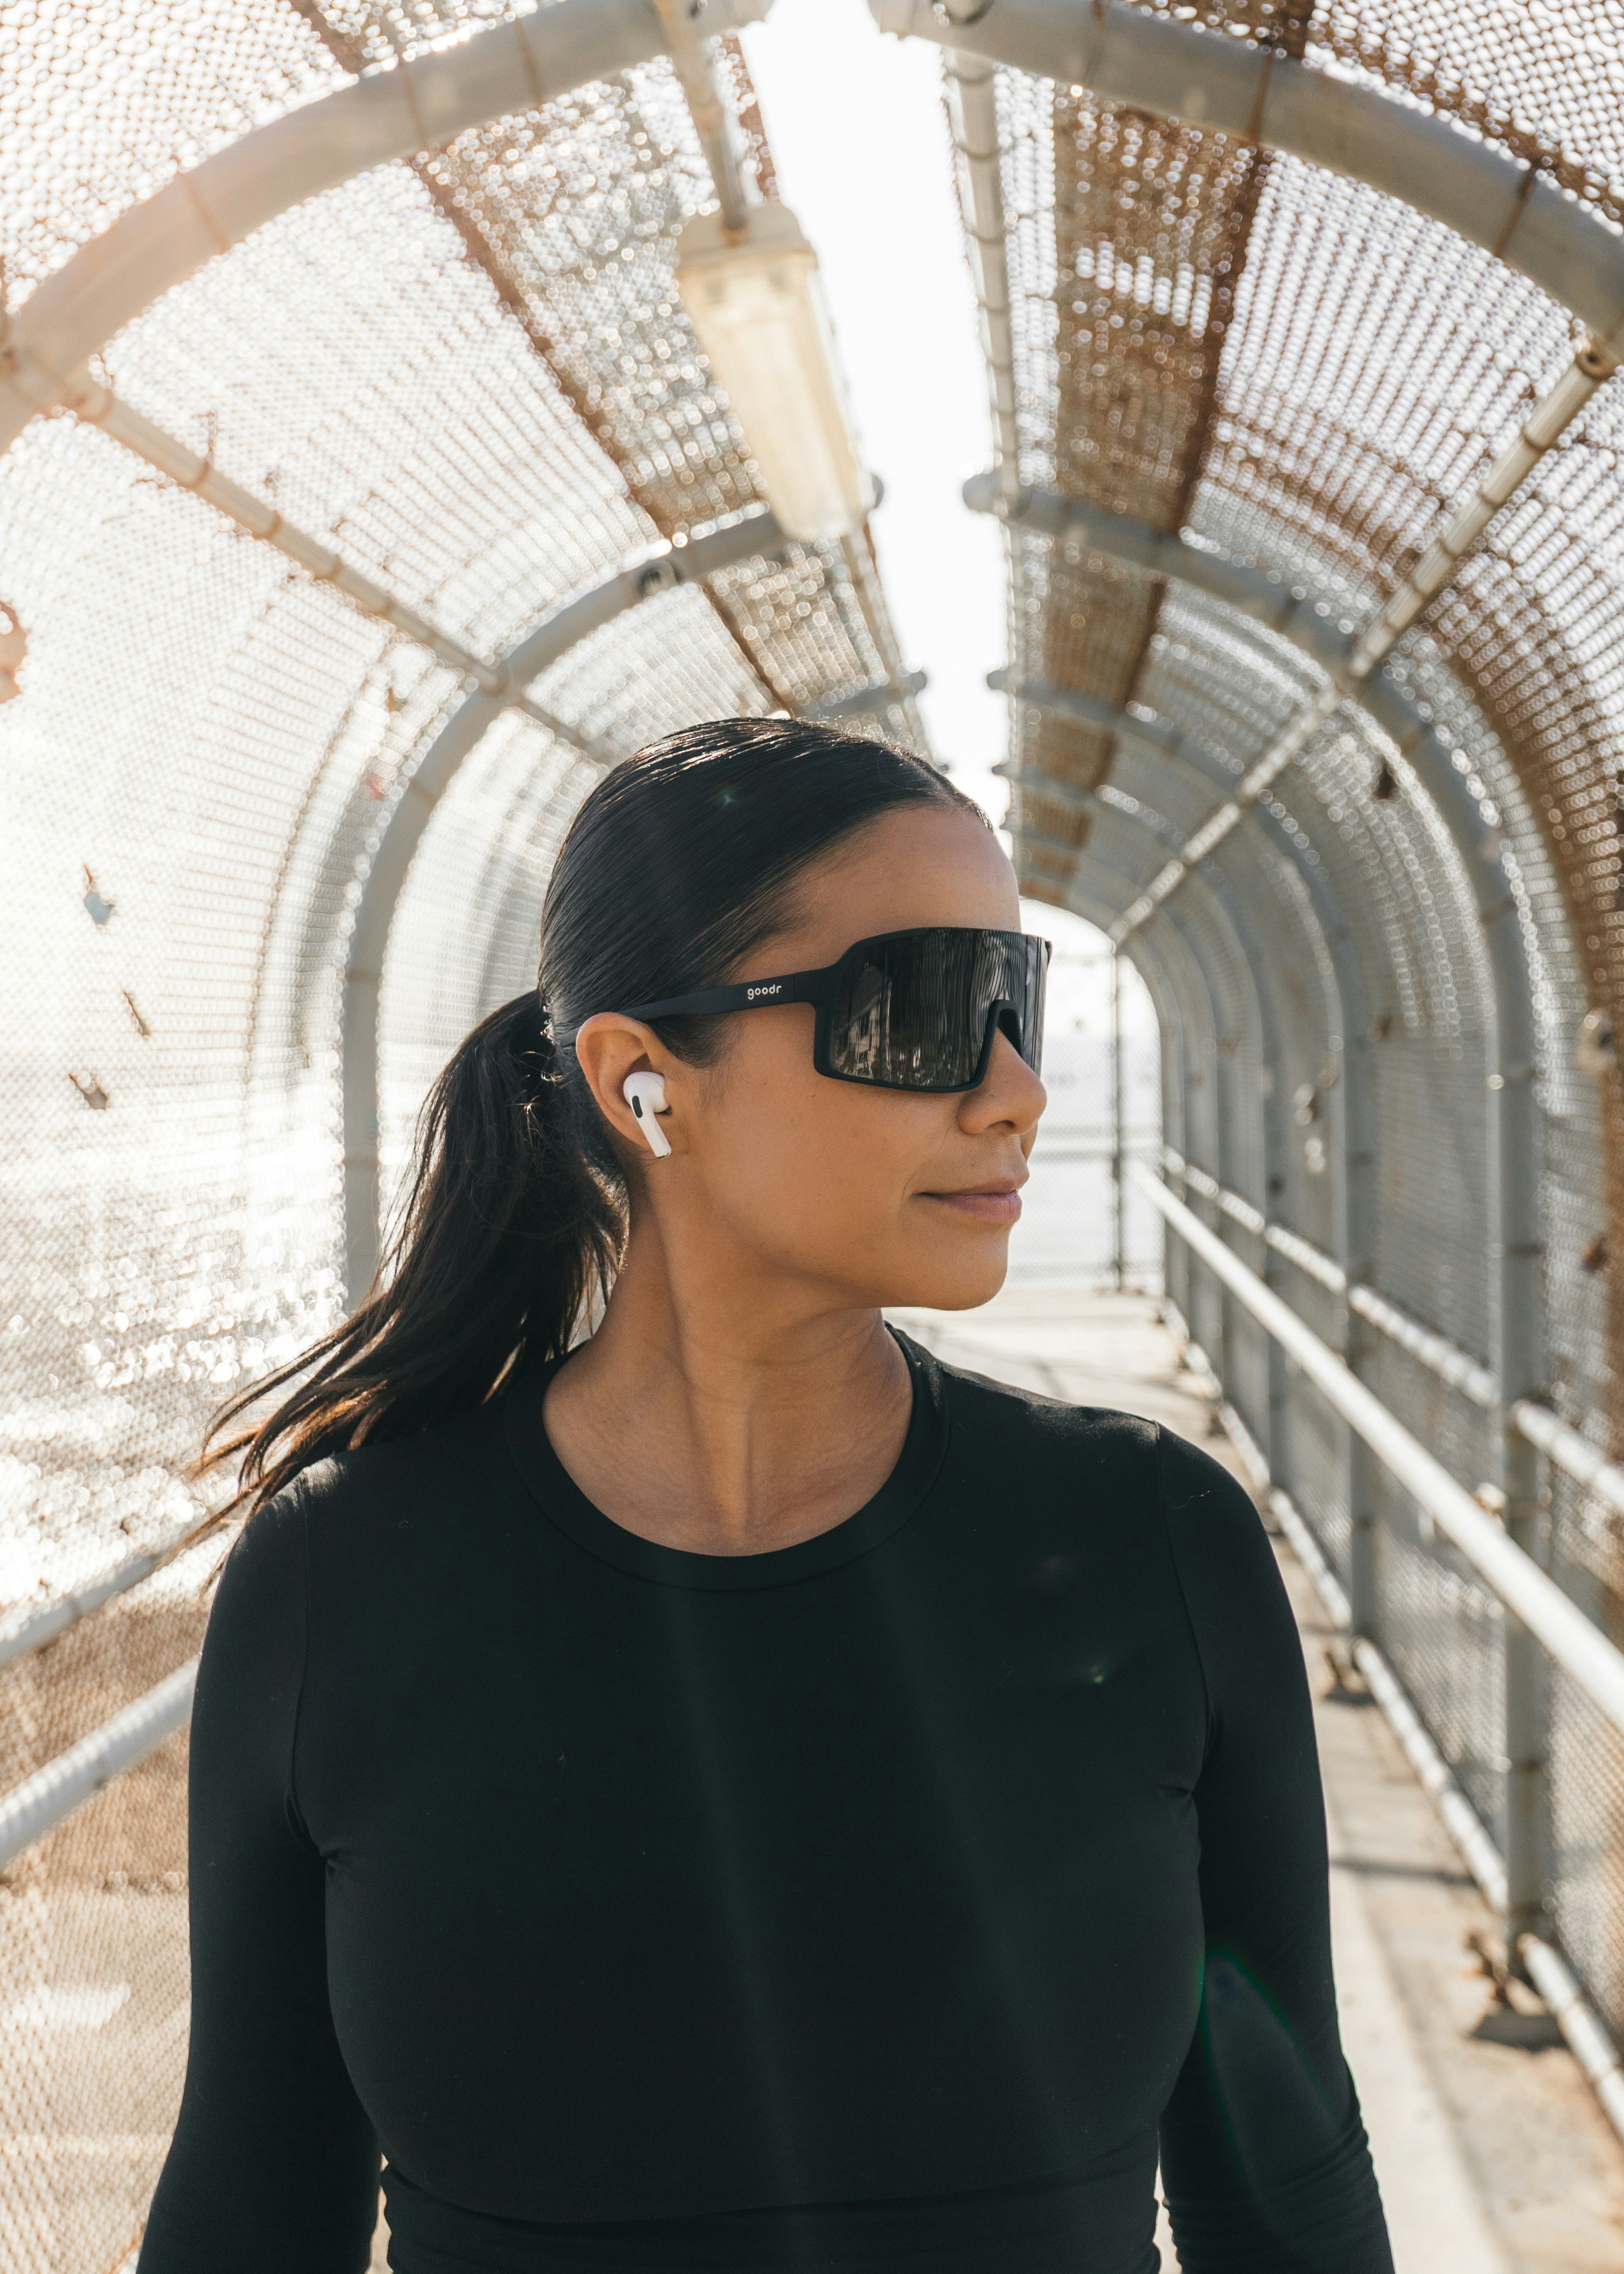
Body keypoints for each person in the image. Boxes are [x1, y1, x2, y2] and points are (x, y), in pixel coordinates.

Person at [141, 719, 1392, 2274]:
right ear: (644, 1080)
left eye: (1018, 1003)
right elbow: (253, 2203)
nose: (1013, 1091)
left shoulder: (1154, 1546)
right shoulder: (345, 1577)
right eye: (928, 1008)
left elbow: (1287, 2207)